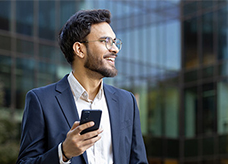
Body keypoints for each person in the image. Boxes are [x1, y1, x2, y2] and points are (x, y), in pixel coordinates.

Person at [17, 9, 148, 164]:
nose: (114, 49)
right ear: (79, 49)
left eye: (114, 42)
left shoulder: (127, 101)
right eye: (105, 41)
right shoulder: (41, 101)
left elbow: (138, 161)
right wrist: (63, 153)